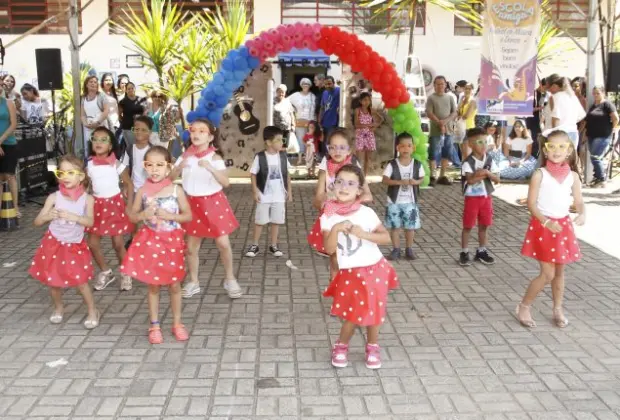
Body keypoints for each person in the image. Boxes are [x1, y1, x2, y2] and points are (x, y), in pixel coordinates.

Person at [322, 164, 398, 369]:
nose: (344, 187)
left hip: (375, 269)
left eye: (350, 183)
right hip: (350, 273)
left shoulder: (366, 213)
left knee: (375, 311)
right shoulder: (328, 215)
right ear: (332, 185)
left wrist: (364, 234)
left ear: (359, 191)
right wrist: (336, 228)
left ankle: (372, 345)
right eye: (339, 182)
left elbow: (385, 237)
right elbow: (329, 249)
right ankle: (341, 345)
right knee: (352, 314)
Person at [122, 146, 192, 343]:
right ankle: (154, 325)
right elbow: (133, 216)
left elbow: (188, 215)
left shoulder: (176, 190)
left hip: (171, 243)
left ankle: (177, 323)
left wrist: (171, 216)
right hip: (151, 243)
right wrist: (143, 215)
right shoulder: (143, 190)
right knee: (153, 286)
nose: (154, 169)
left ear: (168, 168)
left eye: (159, 165)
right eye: (149, 165)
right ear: (144, 167)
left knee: (175, 285)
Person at [517, 130, 585, 328]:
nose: (556, 151)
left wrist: (582, 213)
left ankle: (557, 308)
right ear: (545, 151)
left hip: (563, 227)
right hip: (544, 226)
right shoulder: (540, 174)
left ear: (569, 150)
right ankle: (524, 306)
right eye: (552, 146)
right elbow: (531, 204)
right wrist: (546, 222)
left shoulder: (573, 176)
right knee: (548, 274)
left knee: (560, 272)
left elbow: (579, 201)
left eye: (561, 146)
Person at [171, 119, 242, 299]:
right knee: (191, 246)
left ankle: (230, 278)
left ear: (210, 137)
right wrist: (178, 167)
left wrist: (210, 168)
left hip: (213, 203)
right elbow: (169, 179)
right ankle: (194, 282)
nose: (196, 134)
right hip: (192, 204)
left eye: (202, 131)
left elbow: (226, 182)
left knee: (223, 243)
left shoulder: (215, 158)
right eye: (193, 130)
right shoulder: (185, 156)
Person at [29, 154, 100, 329]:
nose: (65, 176)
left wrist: (75, 217)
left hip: (74, 245)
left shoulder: (87, 199)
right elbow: (36, 222)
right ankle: (59, 307)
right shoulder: (54, 197)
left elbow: (90, 222)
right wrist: (47, 216)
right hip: (53, 243)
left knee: (81, 282)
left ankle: (92, 310)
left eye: (70, 172)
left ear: (81, 176)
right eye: (62, 172)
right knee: (53, 281)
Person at [307, 129, 373, 277]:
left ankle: (352, 288)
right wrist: (325, 201)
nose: (337, 151)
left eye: (342, 147)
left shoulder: (354, 162)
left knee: (353, 256)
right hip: (333, 217)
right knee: (335, 257)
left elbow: (367, 194)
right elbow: (318, 199)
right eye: (333, 147)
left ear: (349, 149)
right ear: (328, 148)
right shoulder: (326, 162)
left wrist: (351, 203)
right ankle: (335, 288)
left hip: (351, 218)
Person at [86, 127, 135, 292]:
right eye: (95, 139)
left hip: (114, 206)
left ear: (110, 145)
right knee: (92, 243)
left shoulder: (117, 164)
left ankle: (125, 272)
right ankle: (106, 271)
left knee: (118, 243)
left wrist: (129, 205)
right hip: (96, 207)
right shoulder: (89, 164)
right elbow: (86, 186)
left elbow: (128, 183)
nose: (98, 142)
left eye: (103, 139)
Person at [246, 126, 292, 258]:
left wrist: (289, 190)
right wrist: (255, 191)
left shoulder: (283, 156)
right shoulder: (260, 157)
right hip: (264, 194)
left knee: (276, 221)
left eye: (282, 139)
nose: (281, 142)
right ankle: (255, 245)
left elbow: (287, 173)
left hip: (279, 195)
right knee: (260, 220)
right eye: (278, 140)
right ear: (268, 142)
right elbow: (253, 174)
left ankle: (274, 245)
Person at [459, 127, 500, 267]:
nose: (483, 145)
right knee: (468, 225)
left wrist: (486, 173)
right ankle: (464, 251)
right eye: (479, 142)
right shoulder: (467, 162)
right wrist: (484, 173)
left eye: (485, 141)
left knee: (484, 225)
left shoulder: (489, 159)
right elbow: (470, 180)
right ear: (470, 144)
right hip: (472, 198)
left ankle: (482, 250)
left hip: (486, 198)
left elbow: (497, 179)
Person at [382, 133, 425, 261]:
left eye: (409, 146)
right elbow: (385, 179)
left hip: (411, 202)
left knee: (410, 227)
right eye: (402, 146)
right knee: (395, 227)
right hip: (394, 201)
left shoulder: (417, 164)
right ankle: (396, 249)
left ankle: (409, 249)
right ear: (397, 148)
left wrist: (416, 182)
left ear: (414, 148)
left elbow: (421, 178)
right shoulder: (392, 164)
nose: (406, 148)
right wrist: (399, 182)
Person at [585, 85, 619, 187]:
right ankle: (597, 177)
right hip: (591, 135)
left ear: (603, 93)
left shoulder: (607, 104)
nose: (595, 95)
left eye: (598, 93)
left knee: (595, 157)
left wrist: (612, 128)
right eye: (594, 93)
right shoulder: (593, 105)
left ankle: (602, 179)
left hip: (603, 135)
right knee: (594, 157)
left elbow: (616, 118)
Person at [426, 76, 457, 185]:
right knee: (433, 153)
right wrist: (439, 122)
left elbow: (454, 112)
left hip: (448, 130)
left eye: (442, 84)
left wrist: (445, 121)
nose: (440, 86)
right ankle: (432, 176)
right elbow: (429, 112)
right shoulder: (431, 98)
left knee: (446, 153)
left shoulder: (450, 98)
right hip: (435, 130)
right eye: (437, 84)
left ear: (445, 85)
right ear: (434, 85)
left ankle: (442, 175)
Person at [548, 75, 586, 150]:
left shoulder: (555, 97)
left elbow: (555, 118)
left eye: (551, 86)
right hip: (573, 132)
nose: (550, 89)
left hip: (561, 133)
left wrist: (554, 134)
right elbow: (581, 116)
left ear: (555, 85)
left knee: (560, 160)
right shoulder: (573, 97)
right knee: (571, 160)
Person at [288, 78, 316, 165]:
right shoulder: (296, 95)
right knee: (300, 140)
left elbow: (316, 108)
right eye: (303, 83)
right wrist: (293, 111)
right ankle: (300, 159)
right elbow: (286, 101)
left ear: (310, 85)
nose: (305, 85)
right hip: (299, 121)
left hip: (310, 122)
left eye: (307, 83)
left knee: (310, 141)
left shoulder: (313, 96)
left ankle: (309, 160)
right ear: (301, 85)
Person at [81, 75, 110, 156]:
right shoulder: (83, 98)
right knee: (90, 151)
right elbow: (83, 114)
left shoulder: (101, 96)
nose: (93, 84)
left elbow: (106, 110)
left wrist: (97, 122)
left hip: (101, 127)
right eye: (91, 82)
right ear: (86, 84)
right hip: (88, 129)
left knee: (102, 150)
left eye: (95, 82)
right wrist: (85, 124)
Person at [355, 92, 383, 175]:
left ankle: (365, 176)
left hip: (369, 136)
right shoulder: (358, 110)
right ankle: (358, 174)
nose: (367, 102)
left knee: (368, 158)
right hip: (360, 135)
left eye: (369, 100)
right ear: (360, 101)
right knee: (359, 158)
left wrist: (375, 127)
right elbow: (356, 125)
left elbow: (381, 119)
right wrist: (369, 125)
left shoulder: (371, 110)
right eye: (365, 100)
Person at [0, 93, 19, 217]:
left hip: (9, 143)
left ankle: (15, 208)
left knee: (9, 175)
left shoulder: (8, 103)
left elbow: (13, 124)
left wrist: (1, 140)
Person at [119, 82, 147, 151]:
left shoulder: (141, 99)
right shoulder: (123, 101)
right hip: (128, 128)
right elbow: (119, 115)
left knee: (140, 145)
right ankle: (131, 161)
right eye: (128, 89)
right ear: (126, 90)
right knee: (131, 147)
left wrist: (141, 118)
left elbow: (145, 112)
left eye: (132, 88)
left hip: (139, 128)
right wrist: (126, 120)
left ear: (135, 89)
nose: (131, 90)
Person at [318, 76, 340, 158]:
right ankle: (327, 160)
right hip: (324, 122)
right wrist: (319, 120)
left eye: (330, 84)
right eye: (326, 84)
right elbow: (322, 107)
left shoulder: (339, 91)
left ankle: (331, 160)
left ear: (334, 83)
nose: (328, 86)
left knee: (330, 142)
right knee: (325, 143)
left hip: (334, 122)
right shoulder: (324, 93)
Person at [455, 83, 477, 160]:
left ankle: (468, 170)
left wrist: (458, 116)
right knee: (463, 152)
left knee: (467, 152)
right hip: (460, 128)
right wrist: (461, 100)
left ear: (472, 90)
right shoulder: (463, 99)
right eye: (466, 88)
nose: (467, 90)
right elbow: (457, 111)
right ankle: (464, 170)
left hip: (469, 128)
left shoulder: (473, 101)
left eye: (469, 89)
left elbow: (466, 116)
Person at [526, 79, 547, 158]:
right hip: (532, 121)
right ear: (541, 84)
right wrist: (542, 107)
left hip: (539, 121)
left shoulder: (544, 95)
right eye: (545, 87)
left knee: (538, 141)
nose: (545, 90)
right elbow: (529, 109)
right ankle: (532, 158)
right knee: (534, 141)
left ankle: (535, 158)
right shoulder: (532, 94)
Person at [273, 84, 296, 150]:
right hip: (276, 129)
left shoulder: (287, 101)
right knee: (277, 145)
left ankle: (283, 158)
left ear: (285, 93)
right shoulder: (272, 101)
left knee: (284, 145)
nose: (281, 94)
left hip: (286, 129)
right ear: (276, 92)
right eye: (279, 91)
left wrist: (293, 125)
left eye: (283, 92)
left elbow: (291, 114)